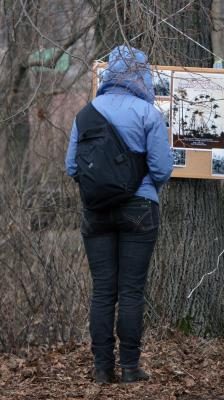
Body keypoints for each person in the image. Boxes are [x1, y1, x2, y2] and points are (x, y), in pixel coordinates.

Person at [65, 45, 173, 384]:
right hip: (139, 209)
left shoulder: (85, 113)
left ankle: (101, 369)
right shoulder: (148, 112)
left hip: (96, 212)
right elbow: (162, 169)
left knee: (102, 292)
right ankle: (129, 367)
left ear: (110, 73)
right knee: (130, 291)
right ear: (142, 75)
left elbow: (72, 167)